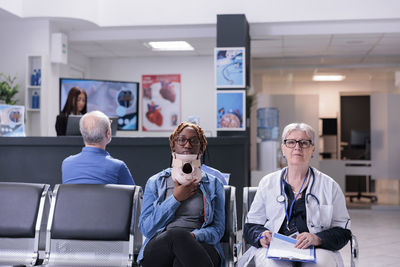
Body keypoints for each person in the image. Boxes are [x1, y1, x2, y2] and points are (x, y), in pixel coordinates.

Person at [239, 123, 351, 267]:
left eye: (304, 143)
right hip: (275, 249)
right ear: (283, 149)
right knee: (273, 265)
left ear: (313, 149)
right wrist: (261, 236)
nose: (297, 147)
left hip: (317, 249)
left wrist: (317, 238)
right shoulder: (268, 183)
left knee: (320, 264)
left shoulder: (330, 186)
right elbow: (251, 225)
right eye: (291, 142)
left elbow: (343, 232)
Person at [137, 122, 225, 267]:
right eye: (181, 140)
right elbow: (146, 228)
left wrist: (194, 236)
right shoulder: (156, 182)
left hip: (201, 245)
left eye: (194, 140)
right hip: (160, 246)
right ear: (173, 146)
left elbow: (218, 230)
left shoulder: (214, 184)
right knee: (176, 235)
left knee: (180, 259)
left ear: (201, 148)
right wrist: (175, 199)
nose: (187, 145)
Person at [62, 110, 134, 185]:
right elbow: (134, 195)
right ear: (108, 134)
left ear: (82, 133)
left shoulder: (67, 164)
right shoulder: (118, 167)